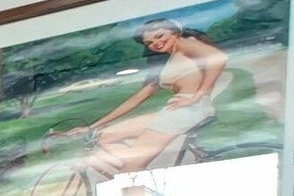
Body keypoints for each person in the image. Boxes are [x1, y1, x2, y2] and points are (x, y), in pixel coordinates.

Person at [66, 20, 235, 183]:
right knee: (104, 136)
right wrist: (93, 126)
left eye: (160, 36)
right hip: (175, 110)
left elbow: (218, 57)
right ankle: (142, 174)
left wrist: (199, 95)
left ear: (176, 33)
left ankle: (139, 185)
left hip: (188, 110)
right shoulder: (167, 59)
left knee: (128, 174)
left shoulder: (185, 43)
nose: (156, 43)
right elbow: (136, 99)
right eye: (149, 42)